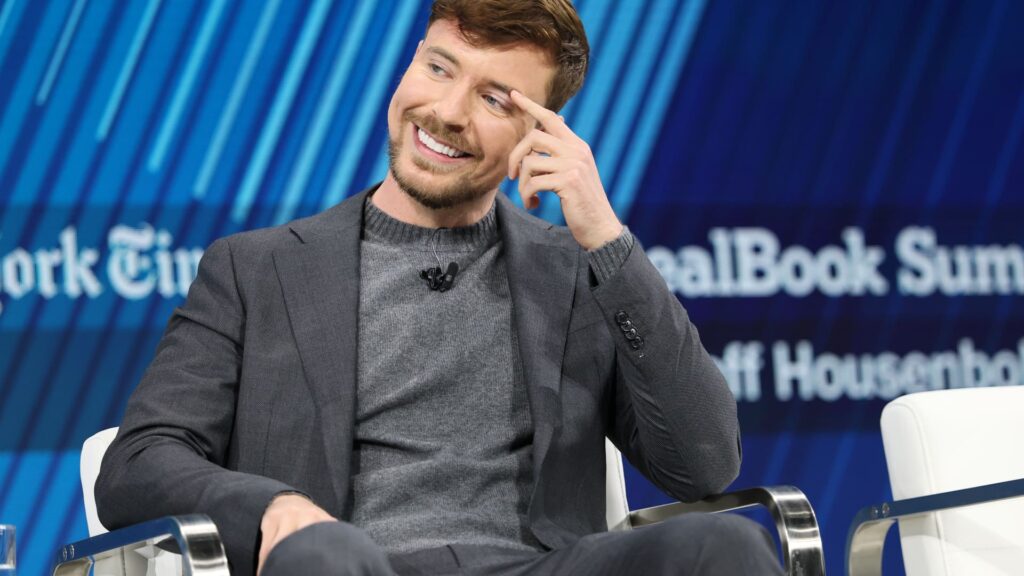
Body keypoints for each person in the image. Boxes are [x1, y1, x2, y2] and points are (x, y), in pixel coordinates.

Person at [96, 1, 782, 574]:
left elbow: (704, 466)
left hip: (538, 566)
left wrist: (607, 240)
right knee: (323, 557)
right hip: (348, 563)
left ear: (539, 136)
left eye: (494, 99)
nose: (448, 111)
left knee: (724, 544)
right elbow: (138, 463)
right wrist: (274, 509)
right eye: (438, 67)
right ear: (409, 65)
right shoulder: (255, 269)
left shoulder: (577, 274)